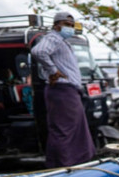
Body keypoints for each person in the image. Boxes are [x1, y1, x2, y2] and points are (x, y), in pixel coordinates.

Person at [31, 12, 95, 168]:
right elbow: (38, 51)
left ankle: (68, 163)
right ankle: (64, 165)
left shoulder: (63, 41)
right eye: (67, 25)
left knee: (72, 128)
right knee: (65, 130)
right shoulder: (53, 38)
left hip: (68, 90)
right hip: (62, 89)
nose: (70, 28)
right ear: (56, 25)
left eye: (72, 25)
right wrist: (53, 70)